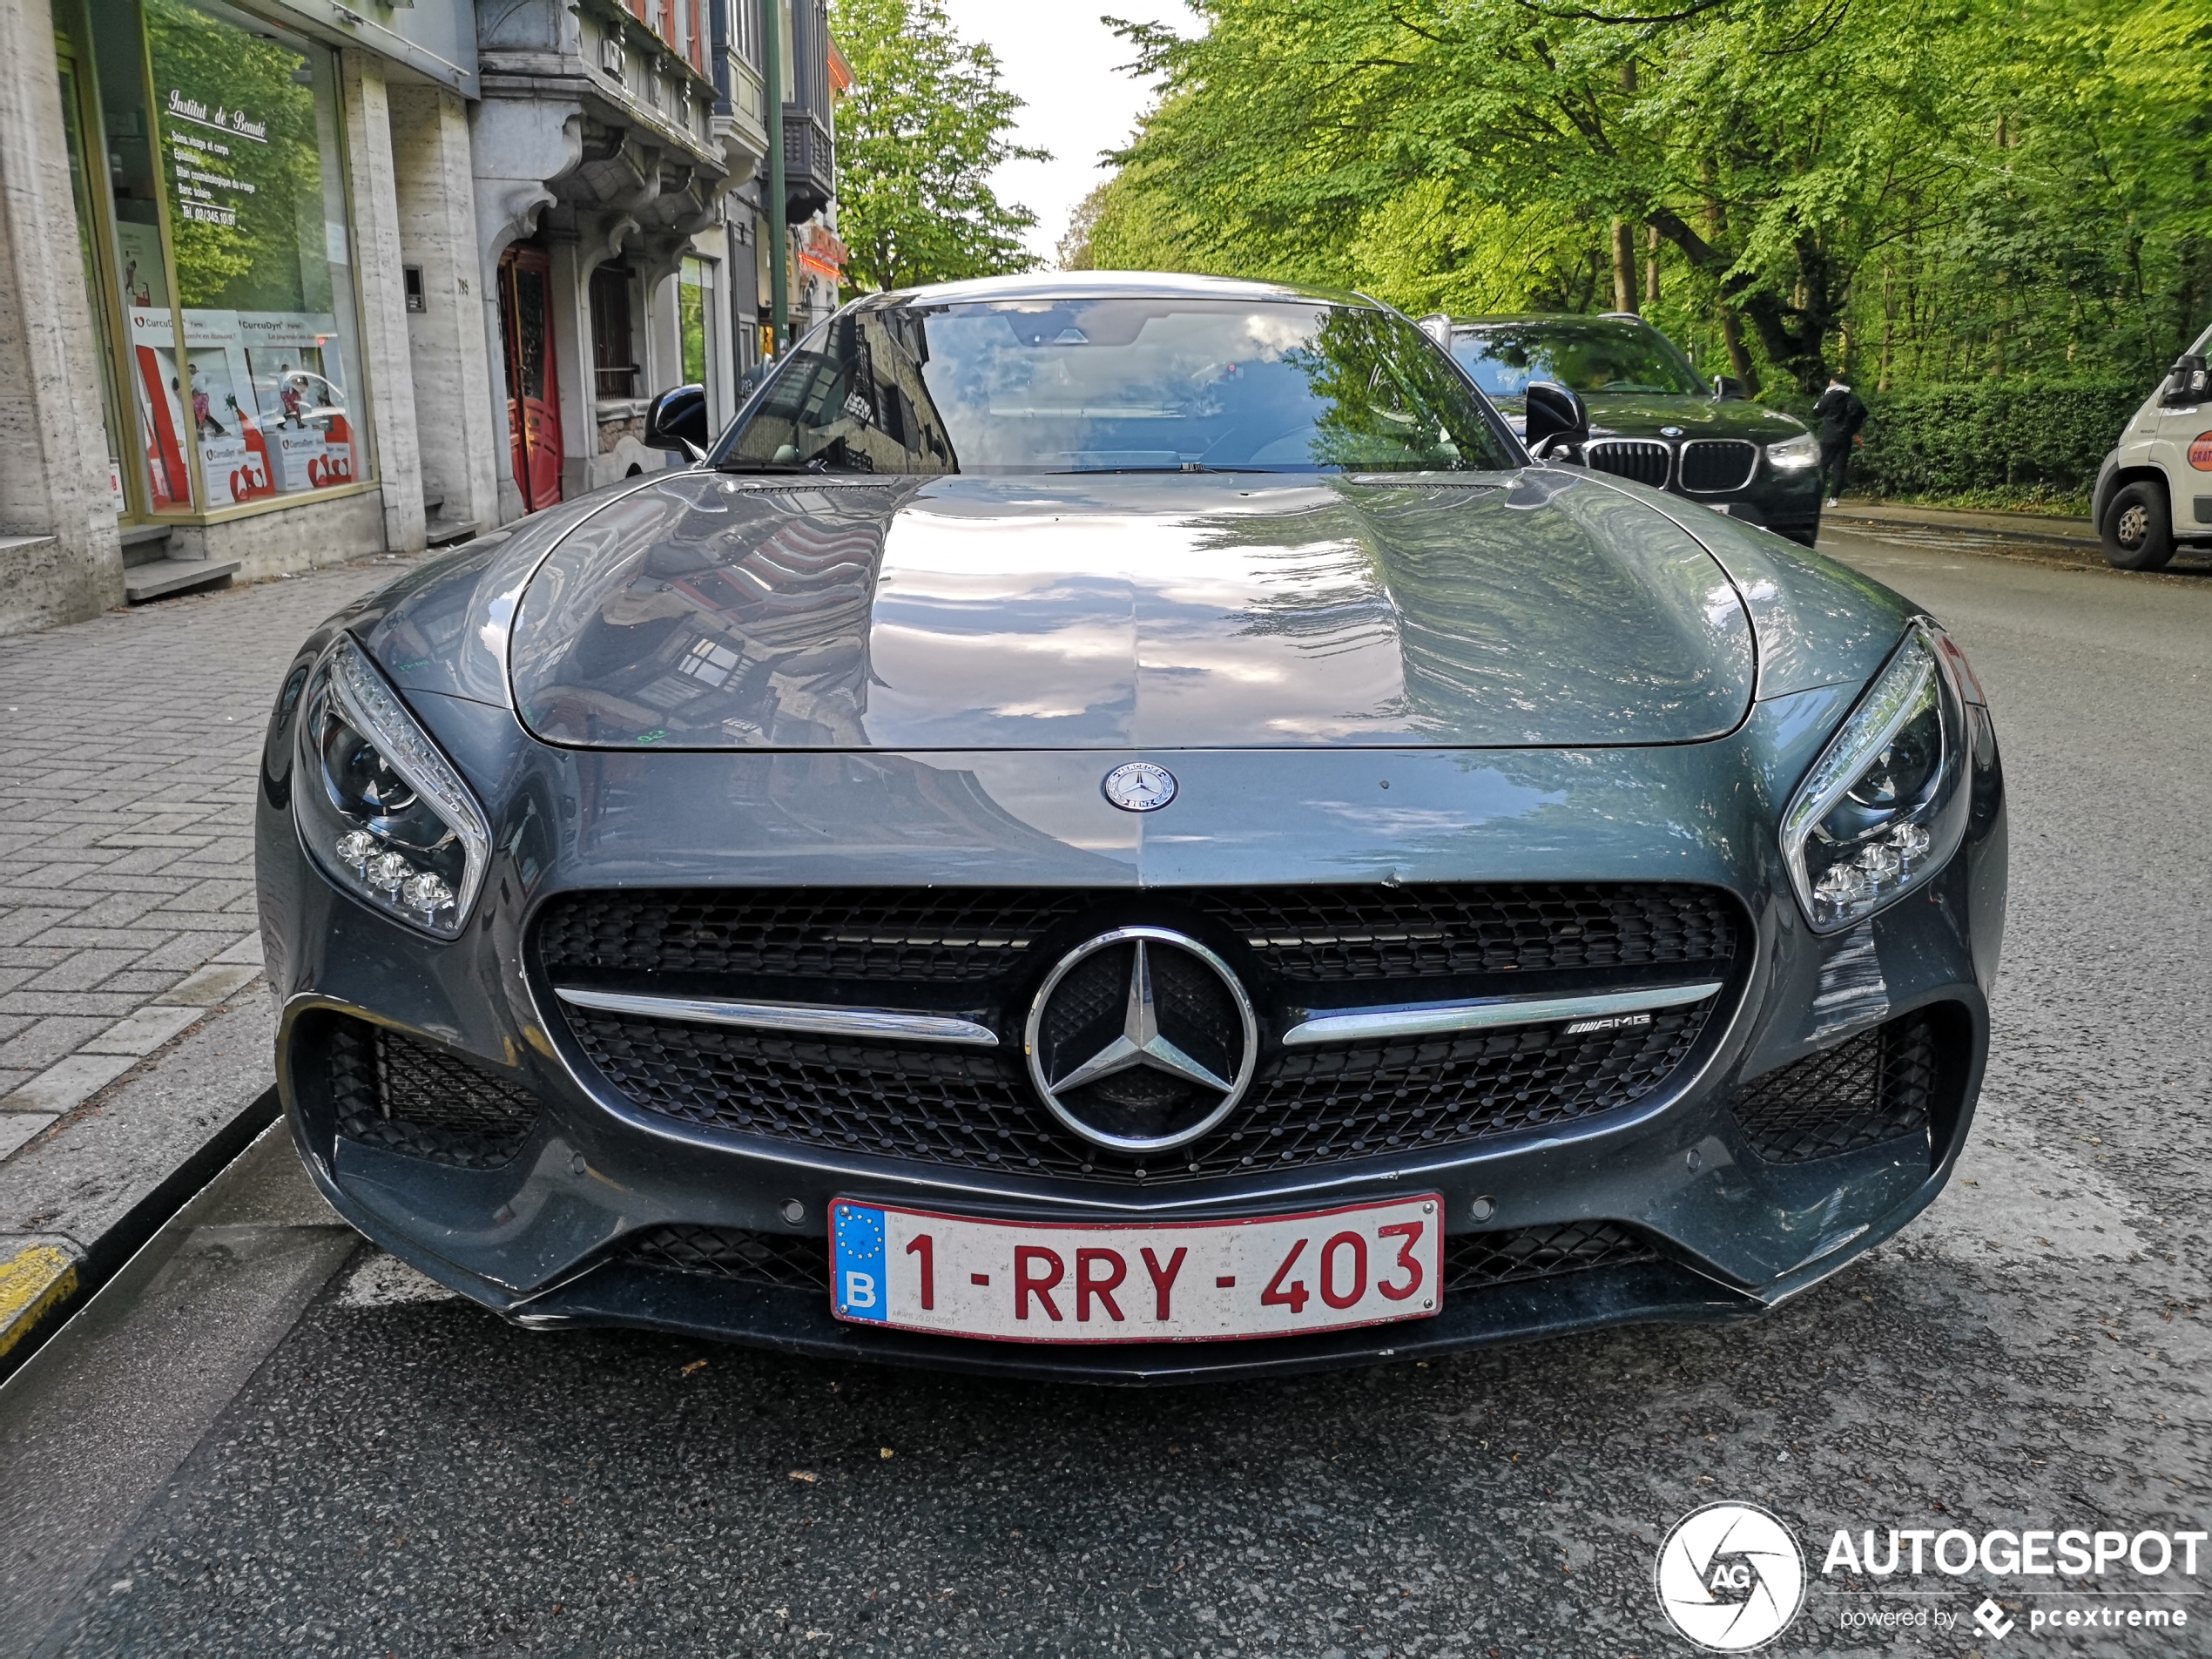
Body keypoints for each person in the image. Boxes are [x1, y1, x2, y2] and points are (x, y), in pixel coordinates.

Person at [1812, 374, 1867, 506]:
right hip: (1845, 438)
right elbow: (1862, 413)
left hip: (1829, 437)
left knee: (1823, 466)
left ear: (1835, 382)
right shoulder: (1852, 399)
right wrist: (1853, 429)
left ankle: (1818, 495)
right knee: (1839, 468)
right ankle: (1834, 499)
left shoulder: (1828, 397)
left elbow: (1816, 411)